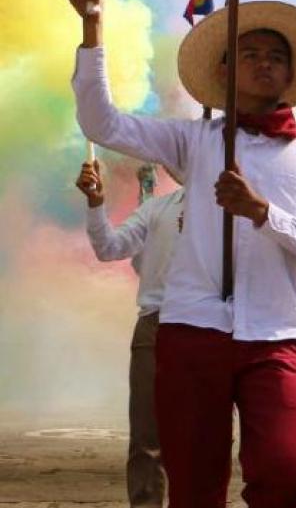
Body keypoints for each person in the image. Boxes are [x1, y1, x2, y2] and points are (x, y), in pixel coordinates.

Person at [66, 0, 296, 507]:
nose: (264, 63)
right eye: (250, 54)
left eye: (276, 56)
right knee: (193, 484)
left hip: (277, 334)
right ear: (224, 70)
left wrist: (262, 212)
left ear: (290, 73)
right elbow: (103, 124)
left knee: (284, 472)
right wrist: (91, 26)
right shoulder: (194, 141)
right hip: (192, 328)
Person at [77, 161, 184, 508]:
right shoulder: (156, 210)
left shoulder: (231, 211)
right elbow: (109, 246)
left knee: (203, 438)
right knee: (147, 438)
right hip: (156, 324)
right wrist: (96, 203)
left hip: (211, 326)